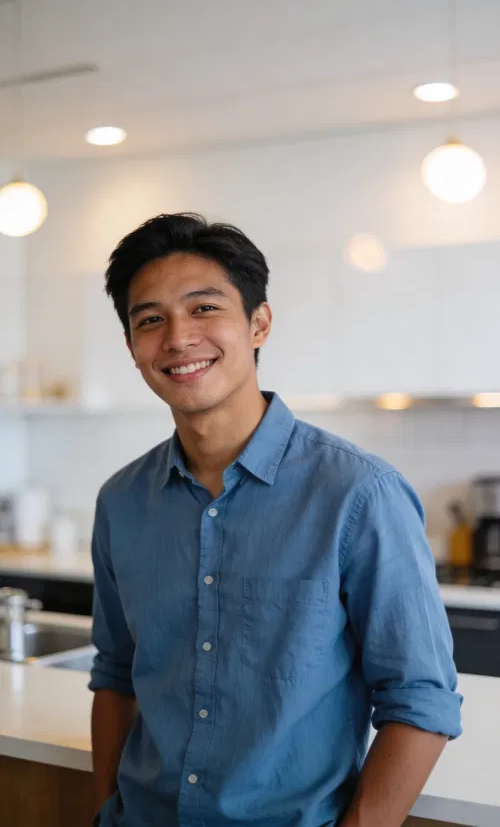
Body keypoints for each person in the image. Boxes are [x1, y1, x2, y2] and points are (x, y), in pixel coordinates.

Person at [90, 213, 462, 827]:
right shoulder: (121, 501)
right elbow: (116, 674)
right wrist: (104, 809)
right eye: (150, 319)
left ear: (259, 323)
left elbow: (421, 699)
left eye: (204, 308)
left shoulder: (359, 493)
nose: (178, 338)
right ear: (132, 347)